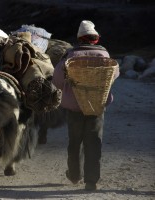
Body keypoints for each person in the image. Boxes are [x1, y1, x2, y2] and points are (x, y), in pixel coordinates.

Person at [52, 20, 120, 191]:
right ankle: (91, 181)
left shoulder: (71, 55)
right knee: (94, 142)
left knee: (74, 142)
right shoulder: (104, 55)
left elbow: (57, 80)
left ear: (80, 39)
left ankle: (74, 175)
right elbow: (113, 74)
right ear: (95, 39)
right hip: (97, 107)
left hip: (75, 108)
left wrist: (68, 88)